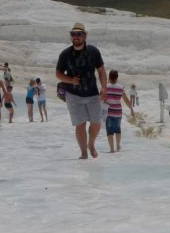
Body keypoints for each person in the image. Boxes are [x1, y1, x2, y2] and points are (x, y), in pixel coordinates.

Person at [55, 22, 107, 159]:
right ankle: (84, 152)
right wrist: (71, 80)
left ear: (85, 35)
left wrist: (104, 88)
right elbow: (58, 74)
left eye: (79, 34)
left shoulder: (93, 51)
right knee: (80, 124)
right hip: (73, 95)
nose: (75, 37)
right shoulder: (65, 54)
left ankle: (91, 144)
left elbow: (101, 70)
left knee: (96, 123)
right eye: (73, 34)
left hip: (92, 94)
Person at [104, 69, 133, 153]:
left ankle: (112, 149)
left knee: (109, 130)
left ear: (109, 77)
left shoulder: (106, 87)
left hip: (108, 112)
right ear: (117, 78)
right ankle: (118, 145)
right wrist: (131, 109)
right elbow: (126, 100)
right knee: (117, 129)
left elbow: (101, 98)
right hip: (118, 112)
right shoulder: (120, 88)